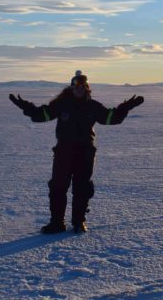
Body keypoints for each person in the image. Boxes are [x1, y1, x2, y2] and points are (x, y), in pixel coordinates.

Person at [9, 71, 144, 234]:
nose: (80, 89)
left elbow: (110, 118)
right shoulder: (61, 104)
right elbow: (42, 115)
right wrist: (26, 107)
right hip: (63, 152)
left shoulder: (93, 106)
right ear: (72, 88)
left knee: (82, 188)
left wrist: (125, 107)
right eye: (77, 86)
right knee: (58, 187)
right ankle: (57, 223)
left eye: (83, 87)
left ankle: (79, 222)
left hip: (85, 153)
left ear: (87, 88)